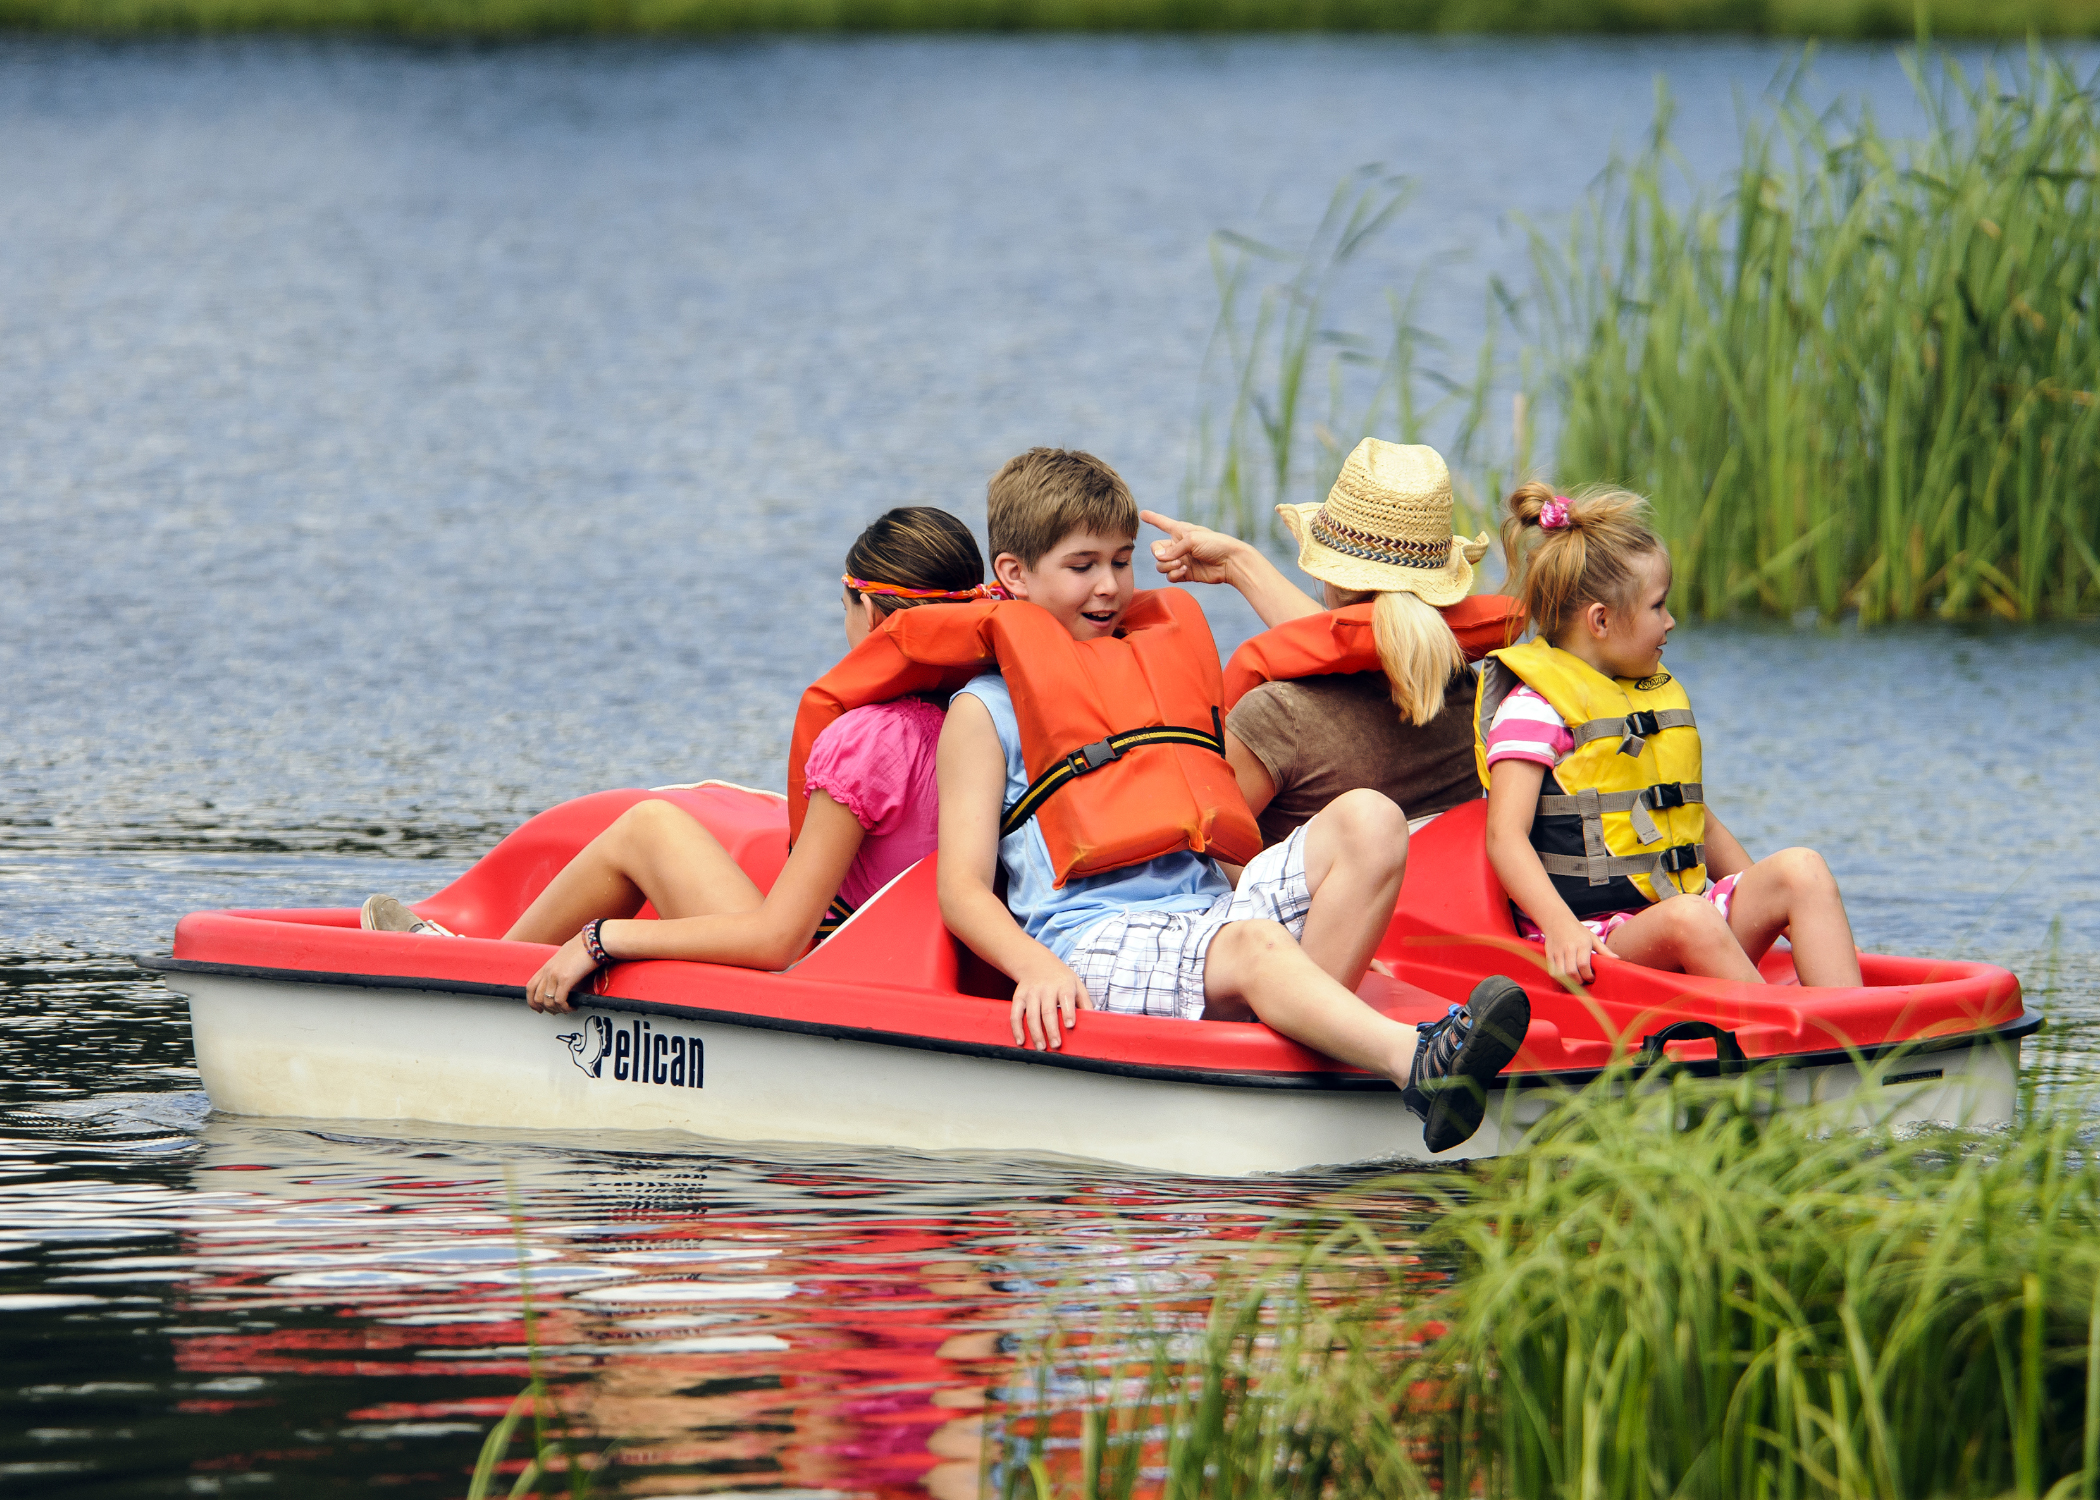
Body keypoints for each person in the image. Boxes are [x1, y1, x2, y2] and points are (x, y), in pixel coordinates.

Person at [935, 446, 1529, 1156]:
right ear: (1014, 574)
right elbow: (962, 887)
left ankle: (1298, 1042)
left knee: (1369, 818)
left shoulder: (1145, 670)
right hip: (1093, 940)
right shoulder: (984, 711)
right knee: (1254, 945)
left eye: (1123, 561)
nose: (1110, 586)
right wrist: (1036, 968)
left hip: (1202, 916)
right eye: (1082, 565)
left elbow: (1331, 648)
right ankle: (1419, 1063)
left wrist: (1241, 563)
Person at [360, 506, 989, 1012]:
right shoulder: (988, 716)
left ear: (873, 615)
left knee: (649, 827)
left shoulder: (869, 740)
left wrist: (605, 939)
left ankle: (475, 980)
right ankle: (487, 960)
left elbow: (778, 941)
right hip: (918, 966)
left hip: (831, 975)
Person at [1478, 482, 1862, 988]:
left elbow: (1693, 818)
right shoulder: (1533, 710)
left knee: (1802, 870)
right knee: (1690, 916)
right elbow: (1504, 836)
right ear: (1601, 620)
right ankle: (1789, 1042)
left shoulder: (1641, 695)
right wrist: (1559, 926)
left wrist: (1775, 903)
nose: (1671, 621)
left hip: (1683, 918)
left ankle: (1856, 1031)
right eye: (1659, 606)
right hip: (1597, 941)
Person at [1143, 439, 1500, 846]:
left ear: (1329, 576)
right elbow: (1360, 640)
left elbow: (1198, 850)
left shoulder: (1279, 717)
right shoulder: (1470, 694)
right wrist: (1238, 564)